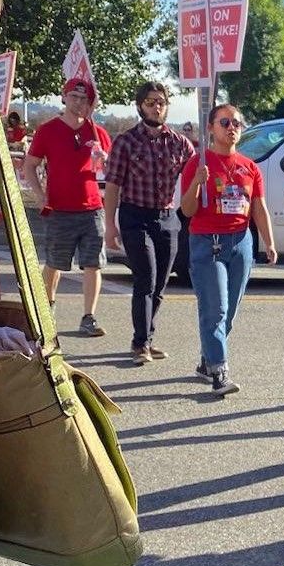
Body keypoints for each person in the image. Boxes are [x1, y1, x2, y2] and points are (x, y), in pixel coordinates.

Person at [180, 102, 277, 395]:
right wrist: (197, 183)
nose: (232, 128)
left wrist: (268, 242)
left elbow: (259, 207)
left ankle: (207, 360)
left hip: (240, 242)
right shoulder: (198, 163)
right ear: (210, 128)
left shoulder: (249, 167)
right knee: (216, 309)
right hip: (207, 242)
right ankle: (219, 370)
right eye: (224, 122)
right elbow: (187, 210)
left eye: (237, 122)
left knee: (228, 312)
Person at [103, 81, 196, 365]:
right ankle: (140, 342)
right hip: (135, 216)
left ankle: (148, 338)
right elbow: (113, 186)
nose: (157, 107)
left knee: (160, 285)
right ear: (140, 106)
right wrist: (110, 225)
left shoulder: (179, 142)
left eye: (161, 102)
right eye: (151, 102)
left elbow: (195, 173)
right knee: (145, 279)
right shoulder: (126, 141)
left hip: (167, 219)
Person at [21, 76, 111, 337]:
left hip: (92, 208)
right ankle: (47, 310)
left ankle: (89, 316)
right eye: (74, 97)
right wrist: (39, 194)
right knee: (55, 263)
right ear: (64, 97)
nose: (79, 102)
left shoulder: (98, 133)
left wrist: (104, 161)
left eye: (84, 99)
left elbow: (108, 170)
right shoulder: (48, 130)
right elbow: (30, 164)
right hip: (60, 209)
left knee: (93, 264)